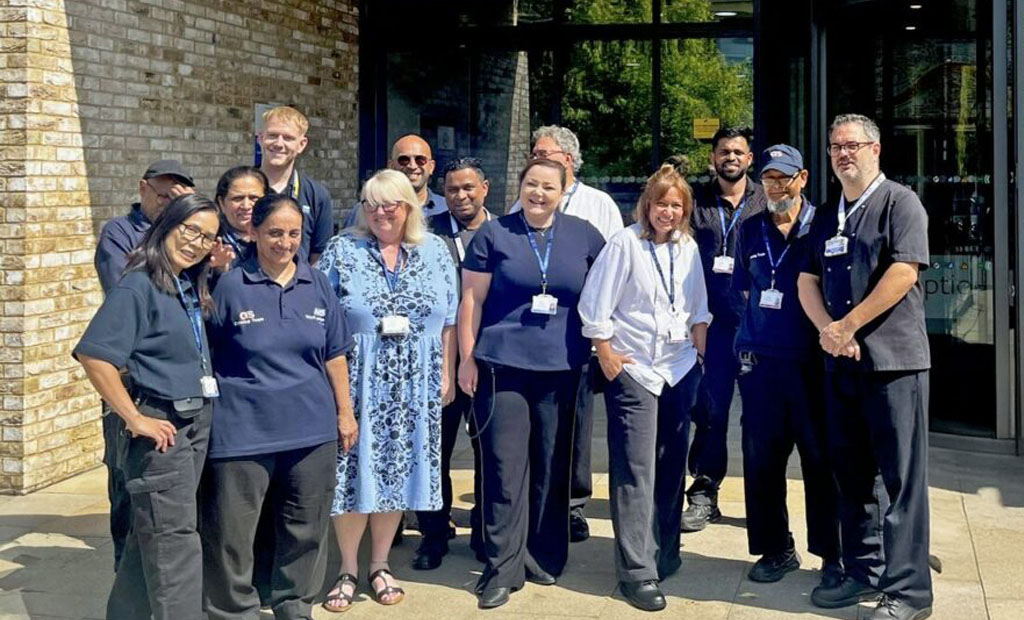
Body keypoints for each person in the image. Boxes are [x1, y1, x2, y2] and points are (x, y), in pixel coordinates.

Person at [798, 114, 933, 620]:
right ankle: (863, 572)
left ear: (875, 149)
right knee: (852, 477)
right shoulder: (826, 214)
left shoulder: (900, 202)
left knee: (902, 482)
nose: (843, 154)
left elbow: (903, 272)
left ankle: (909, 592)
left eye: (852, 145)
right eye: (836, 147)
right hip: (842, 366)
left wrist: (849, 324)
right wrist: (829, 332)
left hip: (894, 365)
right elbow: (806, 281)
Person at [458, 159, 605, 609]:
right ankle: (502, 566)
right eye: (531, 185)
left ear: (563, 191)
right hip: (502, 366)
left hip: (562, 367)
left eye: (548, 187)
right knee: (504, 468)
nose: (538, 194)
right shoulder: (494, 234)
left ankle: (542, 555)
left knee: (552, 465)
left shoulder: (584, 235)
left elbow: (609, 291)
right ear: (519, 187)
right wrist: (467, 358)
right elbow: (471, 300)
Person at [200, 194, 356, 619]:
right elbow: (205, 352)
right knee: (232, 536)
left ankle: (294, 605)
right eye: (274, 233)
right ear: (253, 232)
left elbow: (335, 354)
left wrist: (345, 413)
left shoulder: (317, 283)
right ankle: (234, 612)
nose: (285, 242)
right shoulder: (231, 285)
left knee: (305, 528)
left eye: (293, 234)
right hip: (243, 433)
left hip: (311, 432)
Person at [317, 169, 458, 611]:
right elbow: (321, 318)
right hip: (359, 381)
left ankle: (380, 564)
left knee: (398, 471)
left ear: (409, 207)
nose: (380, 212)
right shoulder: (343, 250)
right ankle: (347, 568)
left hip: (416, 384)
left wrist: (447, 373)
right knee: (352, 472)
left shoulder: (435, 250)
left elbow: (449, 320)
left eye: (390, 204)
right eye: (371, 204)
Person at [75, 194, 220, 619]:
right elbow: (95, 356)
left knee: (150, 538)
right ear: (167, 225)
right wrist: (134, 417)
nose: (196, 243)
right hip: (162, 430)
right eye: (190, 230)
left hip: (194, 423)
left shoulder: (182, 283)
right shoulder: (138, 285)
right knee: (175, 544)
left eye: (207, 237)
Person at [578, 164, 710, 612]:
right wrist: (607, 356)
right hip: (635, 368)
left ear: (685, 210)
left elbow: (698, 309)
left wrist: (699, 357)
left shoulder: (688, 247)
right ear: (646, 206)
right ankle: (636, 571)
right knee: (636, 470)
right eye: (660, 204)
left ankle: (665, 551)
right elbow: (594, 306)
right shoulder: (625, 244)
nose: (667, 212)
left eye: (676, 205)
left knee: (671, 466)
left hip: (679, 368)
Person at [731, 145, 842, 587]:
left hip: (813, 364)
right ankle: (776, 549)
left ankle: (832, 554)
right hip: (761, 364)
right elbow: (743, 288)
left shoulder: (825, 226)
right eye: (769, 179)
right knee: (762, 461)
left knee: (822, 461)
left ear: (803, 178)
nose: (776, 187)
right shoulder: (750, 229)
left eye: (784, 178)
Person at [508, 125, 624, 541]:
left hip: (578, 333)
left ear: (568, 161)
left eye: (545, 154)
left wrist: (603, 336)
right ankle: (534, 500)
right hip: (531, 335)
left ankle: (573, 504)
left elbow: (613, 267)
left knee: (575, 425)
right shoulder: (525, 198)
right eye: (534, 154)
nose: (537, 160)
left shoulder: (599, 204)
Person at [92, 159, 195, 571]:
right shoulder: (120, 232)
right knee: (125, 478)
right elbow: (129, 291)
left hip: (174, 385)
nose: (168, 202)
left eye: (178, 197)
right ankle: (124, 570)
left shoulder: (188, 239)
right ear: (143, 189)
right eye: (162, 194)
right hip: (131, 380)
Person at [683, 126, 767, 532]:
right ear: (712, 158)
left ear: (749, 158)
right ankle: (704, 493)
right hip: (710, 327)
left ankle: (763, 503)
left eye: (737, 152)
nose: (730, 157)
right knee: (710, 412)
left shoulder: (766, 199)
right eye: (723, 152)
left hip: (758, 328)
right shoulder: (694, 201)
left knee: (760, 418)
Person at [412, 157, 491, 571]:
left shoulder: (502, 233)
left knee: (488, 451)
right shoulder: (427, 234)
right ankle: (434, 533)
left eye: (468, 188)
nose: (461, 196)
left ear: (484, 189)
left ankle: (484, 531)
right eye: (453, 189)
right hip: (440, 358)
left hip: (486, 359)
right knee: (434, 451)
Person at [257, 105, 334, 264]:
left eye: (288, 138)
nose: (279, 143)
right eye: (272, 135)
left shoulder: (317, 195)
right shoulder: (240, 189)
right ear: (260, 138)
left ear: (302, 144)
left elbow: (319, 254)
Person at [342, 134, 448, 228]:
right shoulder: (365, 211)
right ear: (391, 166)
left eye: (420, 160)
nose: (412, 166)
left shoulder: (447, 208)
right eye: (404, 160)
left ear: (431, 167)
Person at [210, 166, 269, 269]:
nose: (246, 206)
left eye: (254, 198)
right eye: (237, 198)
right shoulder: (210, 243)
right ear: (221, 203)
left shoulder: (278, 239)